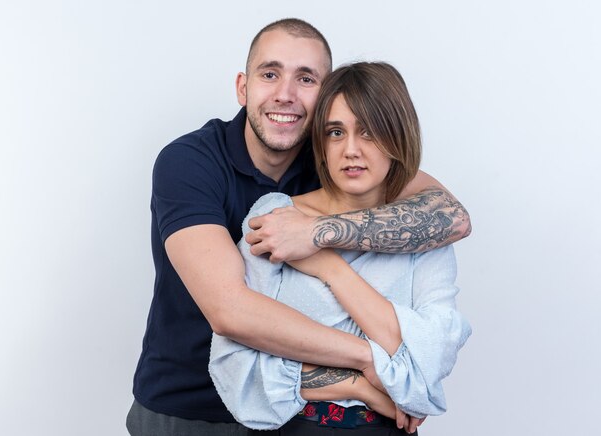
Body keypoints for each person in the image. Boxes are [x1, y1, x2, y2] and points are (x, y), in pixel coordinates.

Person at [127, 18, 471, 436]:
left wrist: (315, 237)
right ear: (243, 87)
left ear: (325, 98)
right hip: (188, 408)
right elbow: (230, 311)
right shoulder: (190, 162)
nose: (286, 94)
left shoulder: (338, 158)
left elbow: (451, 216)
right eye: (270, 74)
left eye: (305, 79)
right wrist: (369, 364)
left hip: (294, 415)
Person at [209, 62, 471, 435]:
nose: (351, 150)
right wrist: (362, 382)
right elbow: (236, 366)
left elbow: (426, 368)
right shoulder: (276, 218)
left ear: (398, 137)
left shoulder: (423, 232)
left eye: (369, 132)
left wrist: (329, 267)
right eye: (335, 132)